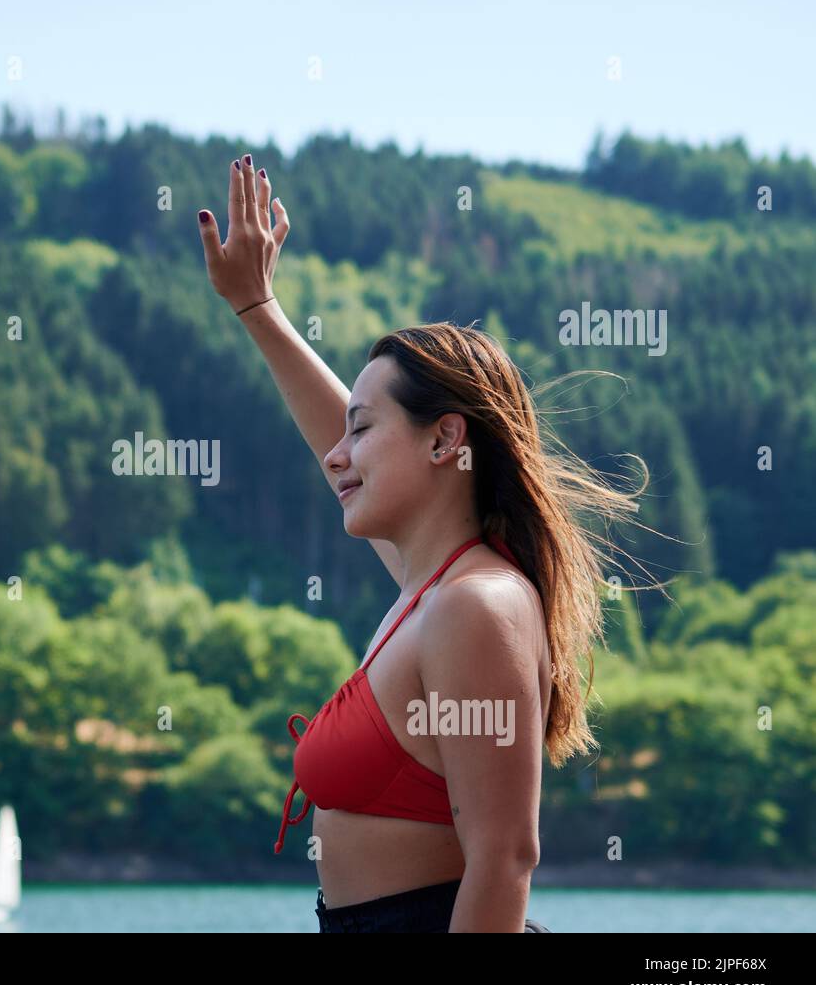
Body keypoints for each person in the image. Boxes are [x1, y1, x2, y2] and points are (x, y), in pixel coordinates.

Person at [196, 155, 661, 932]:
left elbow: (505, 857)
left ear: (447, 439)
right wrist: (256, 308)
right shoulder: (430, 587)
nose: (338, 454)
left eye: (365, 428)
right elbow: (331, 444)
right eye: (345, 432)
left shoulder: (476, 605)